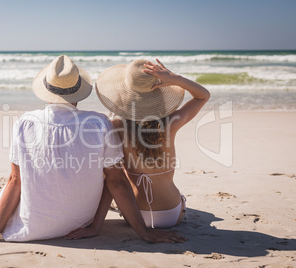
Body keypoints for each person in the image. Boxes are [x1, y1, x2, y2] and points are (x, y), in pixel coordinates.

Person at [0, 55, 186, 243]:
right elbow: (115, 182)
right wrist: (144, 233)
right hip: (81, 222)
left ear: (46, 90)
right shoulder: (99, 123)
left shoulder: (25, 123)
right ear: (78, 93)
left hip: (33, 226)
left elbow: (14, 182)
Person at [65, 58, 210, 239]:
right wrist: (175, 79)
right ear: (159, 94)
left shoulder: (116, 126)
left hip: (133, 216)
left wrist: (95, 227)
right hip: (171, 215)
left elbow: (112, 183)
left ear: (125, 95)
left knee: (114, 172)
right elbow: (203, 95)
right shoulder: (170, 124)